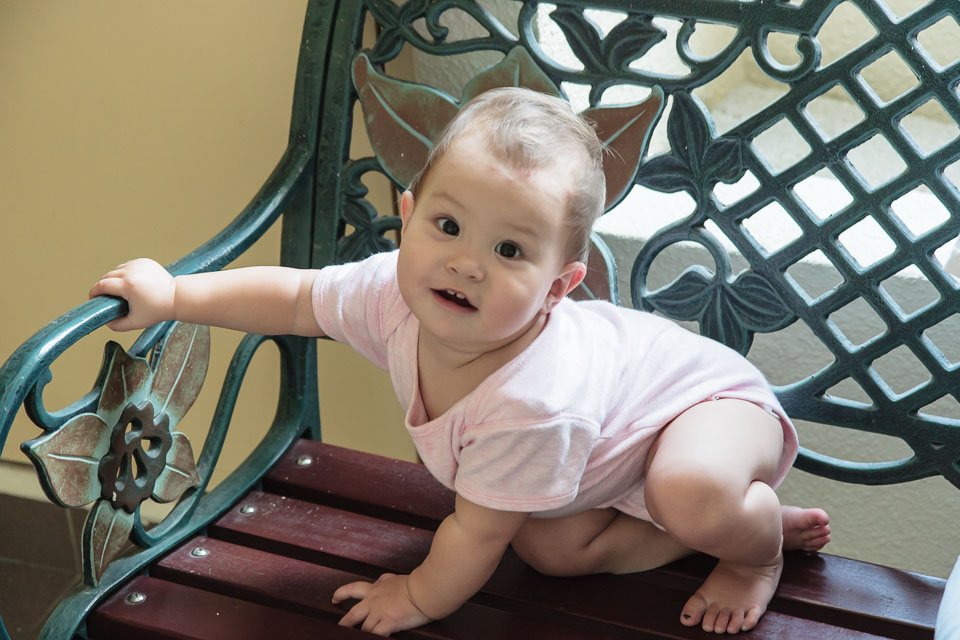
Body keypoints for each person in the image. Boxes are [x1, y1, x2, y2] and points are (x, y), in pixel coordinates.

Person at [90, 87, 831, 636]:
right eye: (448, 225)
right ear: (408, 217)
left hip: (709, 407)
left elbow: (473, 535)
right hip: (609, 452)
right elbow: (293, 300)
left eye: (509, 249)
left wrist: (416, 595)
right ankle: (735, 521)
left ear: (559, 287)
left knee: (688, 487)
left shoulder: (533, 401)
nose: (466, 263)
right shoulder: (390, 292)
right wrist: (175, 295)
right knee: (551, 548)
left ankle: (751, 550)